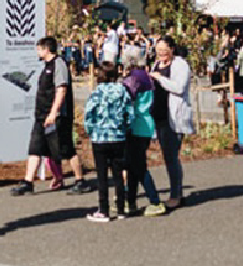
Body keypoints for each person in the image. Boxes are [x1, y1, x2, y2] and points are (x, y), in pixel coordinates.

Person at [11, 35, 88, 196]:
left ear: (46, 49)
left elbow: (61, 89)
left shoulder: (59, 64)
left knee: (66, 149)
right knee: (35, 148)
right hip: (41, 116)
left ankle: (80, 180)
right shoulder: (45, 66)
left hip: (57, 117)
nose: (37, 52)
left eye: (39, 49)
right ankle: (28, 182)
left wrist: (54, 112)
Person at [83, 61, 133, 222]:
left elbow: (89, 114)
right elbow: (129, 113)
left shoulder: (97, 92)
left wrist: (90, 130)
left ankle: (103, 210)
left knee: (102, 175)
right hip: (118, 136)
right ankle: (120, 209)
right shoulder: (122, 91)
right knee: (118, 174)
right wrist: (125, 128)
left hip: (100, 137)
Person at [121, 45, 166, 216]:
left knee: (138, 166)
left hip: (136, 126)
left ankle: (155, 200)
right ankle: (130, 200)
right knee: (134, 165)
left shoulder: (133, 79)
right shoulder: (146, 77)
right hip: (147, 124)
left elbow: (126, 99)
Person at [150, 35, 194, 208]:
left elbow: (179, 87)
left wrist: (160, 78)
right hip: (159, 114)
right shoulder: (156, 64)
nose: (160, 54)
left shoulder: (180, 65)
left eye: (163, 50)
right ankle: (176, 191)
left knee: (171, 155)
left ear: (172, 49)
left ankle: (176, 193)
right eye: (158, 50)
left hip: (175, 116)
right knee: (167, 155)